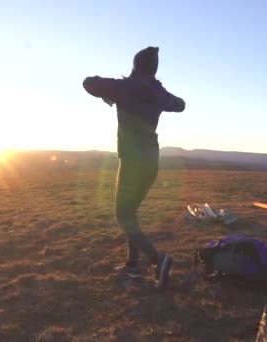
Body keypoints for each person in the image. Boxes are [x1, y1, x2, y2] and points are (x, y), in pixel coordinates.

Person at [82, 46, 186, 289]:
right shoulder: (159, 93)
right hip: (151, 162)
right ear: (154, 69)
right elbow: (180, 105)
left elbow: (88, 83)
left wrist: (119, 87)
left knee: (123, 216)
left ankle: (158, 260)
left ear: (135, 65)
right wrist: (158, 93)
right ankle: (132, 265)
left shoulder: (124, 88)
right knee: (131, 214)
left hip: (131, 162)